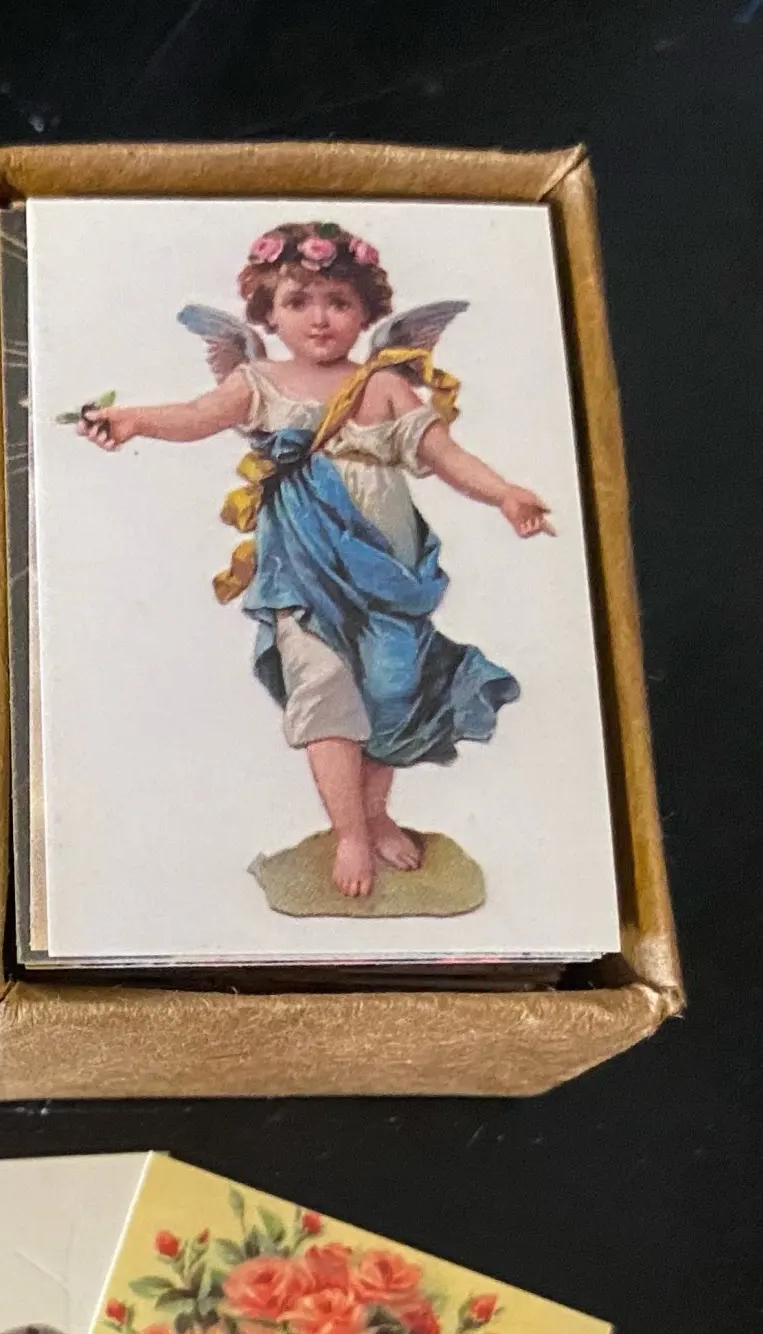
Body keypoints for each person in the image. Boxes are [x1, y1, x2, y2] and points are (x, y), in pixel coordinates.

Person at [81, 221, 551, 898]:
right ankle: (350, 833)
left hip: (387, 569)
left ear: (366, 311)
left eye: (338, 301)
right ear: (268, 312)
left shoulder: (383, 385)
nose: (320, 318)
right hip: (302, 567)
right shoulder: (260, 381)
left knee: (393, 690)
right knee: (324, 687)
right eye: (299, 301)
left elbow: (444, 454)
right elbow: (195, 415)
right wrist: (132, 420)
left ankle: (375, 813)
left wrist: (504, 493)